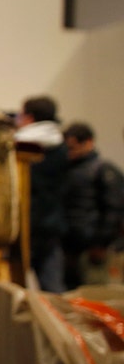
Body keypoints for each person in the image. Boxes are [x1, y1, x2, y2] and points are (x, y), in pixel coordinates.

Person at [14, 95, 68, 292]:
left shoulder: (20, 145)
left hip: (25, 223)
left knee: (15, 284)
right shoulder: (61, 145)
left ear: (29, 117)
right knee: (53, 287)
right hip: (52, 223)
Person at [62, 121, 124, 288]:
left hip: (93, 248)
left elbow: (114, 210)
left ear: (88, 143)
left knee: (96, 293)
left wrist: (101, 243)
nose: (69, 153)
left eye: (73, 147)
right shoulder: (67, 171)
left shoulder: (104, 170)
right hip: (70, 246)